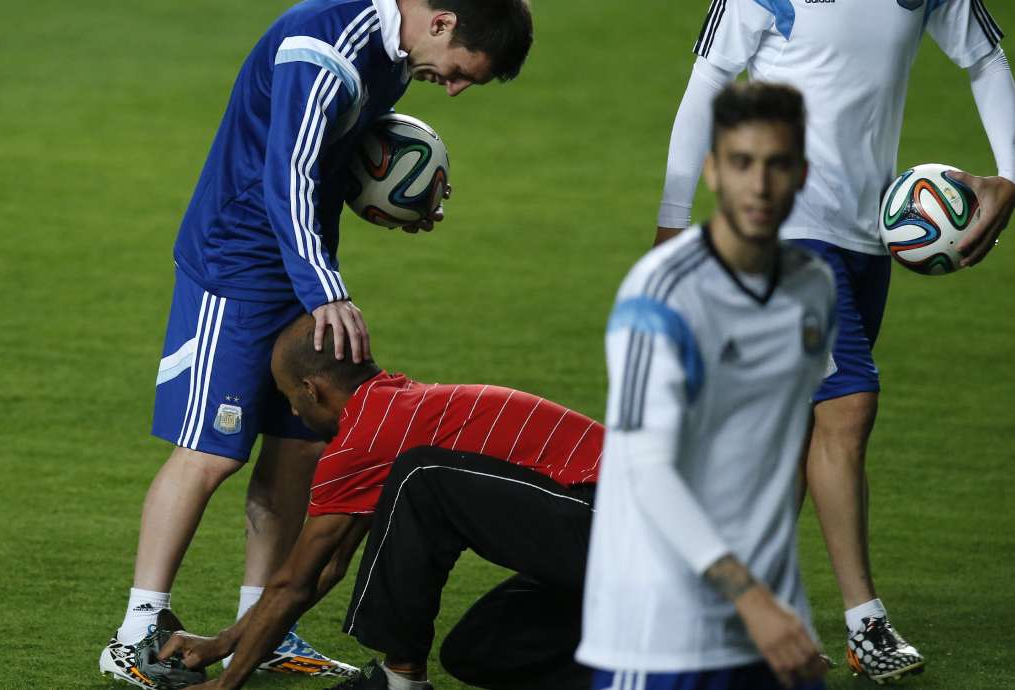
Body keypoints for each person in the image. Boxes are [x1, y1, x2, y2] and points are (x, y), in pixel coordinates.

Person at [99, 0, 534, 686]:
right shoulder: (325, 46)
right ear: (442, 21)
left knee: (298, 448)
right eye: (459, 73)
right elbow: (288, 174)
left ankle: (262, 630)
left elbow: (342, 149)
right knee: (212, 451)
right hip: (237, 266)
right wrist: (325, 290)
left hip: (302, 269)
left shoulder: (393, 54)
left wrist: (394, 194)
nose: (452, 89)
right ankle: (136, 631)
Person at [653, 1, 1014, 681]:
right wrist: (673, 225)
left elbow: (986, 58)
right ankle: (865, 624)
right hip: (782, 226)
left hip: (868, 235)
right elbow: (708, 80)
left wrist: (1011, 173)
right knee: (848, 406)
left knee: (801, 432)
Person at [154, 313, 605, 690]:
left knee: (421, 475)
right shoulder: (393, 412)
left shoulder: (364, 438)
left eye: (290, 398)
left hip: (619, 517)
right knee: (478, 653)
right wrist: (226, 641)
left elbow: (294, 582)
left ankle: (399, 679)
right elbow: (327, 568)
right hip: (601, 537)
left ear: (311, 389)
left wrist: (225, 685)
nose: (293, 412)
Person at [577, 82, 834, 690]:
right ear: (712, 171)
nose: (760, 186)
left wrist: (778, 602)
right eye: (742, 163)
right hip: (662, 632)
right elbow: (645, 467)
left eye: (777, 164)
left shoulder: (812, 289)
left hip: (771, 621)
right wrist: (750, 598)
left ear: (802, 174)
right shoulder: (662, 295)